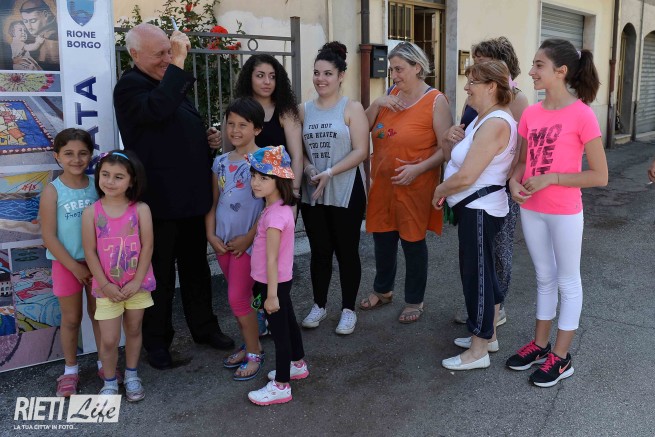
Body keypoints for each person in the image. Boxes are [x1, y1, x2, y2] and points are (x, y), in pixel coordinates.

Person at [113, 23, 234, 370]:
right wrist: (178, 64)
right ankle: (157, 343)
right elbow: (157, 111)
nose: (168, 58)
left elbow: (172, 125)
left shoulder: (164, 82)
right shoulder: (130, 87)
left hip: (191, 199)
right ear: (135, 55)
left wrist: (205, 138)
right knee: (160, 277)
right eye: (160, 54)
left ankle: (204, 328)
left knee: (197, 270)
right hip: (160, 203)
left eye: (170, 51)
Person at [507, 39, 608, 387]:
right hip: (531, 209)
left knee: (568, 280)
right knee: (544, 277)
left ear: (561, 71)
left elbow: (600, 175)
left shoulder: (582, 114)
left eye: (539, 65)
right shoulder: (531, 113)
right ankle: (540, 346)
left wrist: (552, 178)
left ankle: (562, 358)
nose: (531, 71)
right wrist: (513, 182)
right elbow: (522, 161)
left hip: (564, 211)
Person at [210, 54, 303, 337]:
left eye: (272, 76)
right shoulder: (239, 112)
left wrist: (292, 195)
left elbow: (296, 156)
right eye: (260, 75)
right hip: (245, 201)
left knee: (270, 267)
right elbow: (228, 157)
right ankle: (260, 316)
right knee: (249, 279)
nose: (266, 81)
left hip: (274, 200)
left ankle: (274, 316)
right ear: (249, 77)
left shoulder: (285, 111)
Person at [433, 60, 518, 371]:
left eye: (472, 82)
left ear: (491, 86)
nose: (466, 87)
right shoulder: (484, 119)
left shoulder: (495, 123)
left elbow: (468, 175)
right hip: (475, 209)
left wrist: (439, 190)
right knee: (484, 274)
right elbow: (459, 162)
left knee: (476, 278)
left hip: (480, 209)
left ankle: (478, 349)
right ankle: (488, 335)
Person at [360, 42, 451, 323]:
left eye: (399, 69)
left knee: (412, 243)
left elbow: (446, 149)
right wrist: (377, 103)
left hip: (416, 186)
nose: (394, 75)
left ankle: (414, 300)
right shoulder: (390, 95)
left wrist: (418, 169)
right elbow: (362, 128)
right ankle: (383, 290)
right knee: (383, 239)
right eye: (392, 70)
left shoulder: (435, 101)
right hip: (383, 184)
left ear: (417, 67)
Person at [445, 37, 529, 327]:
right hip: (471, 188)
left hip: (494, 188)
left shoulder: (516, 100)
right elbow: (470, 132)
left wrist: (506, 180)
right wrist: (454, 135)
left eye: (483, 62)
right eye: (476, 61)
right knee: (477, 255)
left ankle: (494, 310)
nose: (476, 67)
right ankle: (481, 310)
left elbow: (517, 148)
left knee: (497, 250)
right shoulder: (477, 97)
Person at [298, 42, 368, 335]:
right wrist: (309, 168)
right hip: (313, 191)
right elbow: (299, 151)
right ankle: (319, 304)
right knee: (320, 251)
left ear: (341, 75)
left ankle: (348, 310)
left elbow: (361, 150)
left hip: (346, 189)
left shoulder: (352, 108)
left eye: (327, 73)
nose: (320, 79)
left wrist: (330, 171)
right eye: (316, 73)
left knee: (346, 251)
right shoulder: (303, 110)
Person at [81, 150, 154, 401]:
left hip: (137, 286)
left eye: (118, 177)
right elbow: (89, 251)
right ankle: (110, 381)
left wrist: (137, 281)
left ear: (132, 181)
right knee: (109, 339)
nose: (110, 181)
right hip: (107, 289)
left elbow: (148, 246)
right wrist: (104, 284)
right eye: (105, 174)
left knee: (133, 330)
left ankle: (132, 375)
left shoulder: (141, 209)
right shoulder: (91, 213)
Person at [205, 98, 265, 380]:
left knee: (237, 298)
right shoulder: (219, 162)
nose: (235, 130)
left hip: (248, 246)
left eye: (243, 125)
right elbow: (213, 202)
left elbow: (273, 207)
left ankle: (255, 352)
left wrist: (249, 239)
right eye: (231, 124)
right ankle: (249, 343)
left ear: (257, 129)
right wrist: (210, 234)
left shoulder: (266, 160)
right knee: (241, 299)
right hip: (223, 244)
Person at [39, 128, 101, 397]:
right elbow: (48, 236)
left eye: (82, 153)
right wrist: (74, 266)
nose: (76, 159)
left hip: (97, 264)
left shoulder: (98, 185)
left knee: (100, 315)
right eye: (68, 154)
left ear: (91, 155)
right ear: (57, 156)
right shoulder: (52, 191)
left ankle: (105, 364)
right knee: (72, 318)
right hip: (66, 265)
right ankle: (70, 371)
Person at [245, 146, 308, 406]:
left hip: (273, 284)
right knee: (289, 323)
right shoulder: (278, 208)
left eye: (264, 177)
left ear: (279, 180)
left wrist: (271, 296)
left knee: (280, 333)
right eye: (254, 176)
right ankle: (297, 364)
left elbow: (271, 258)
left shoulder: (274, 216)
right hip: (278, 281)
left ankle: (282, 385)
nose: (255, 182)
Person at [19, 0, 58, 71]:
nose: (29, 27)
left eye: (33, 20)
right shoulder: (41, 34)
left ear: (45, 15)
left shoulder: (51, 37)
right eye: (25, 21)